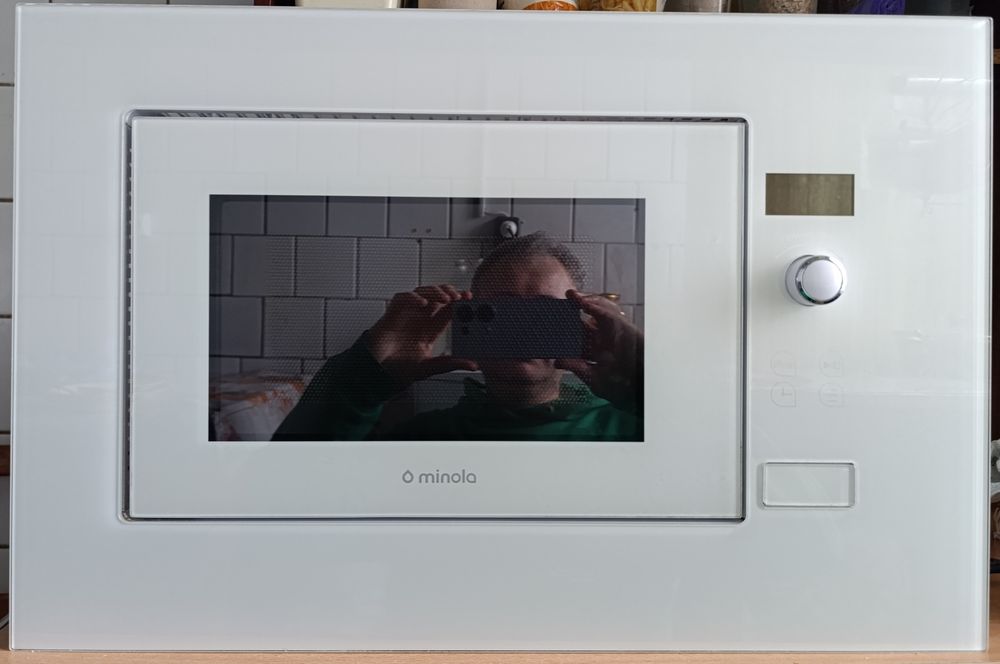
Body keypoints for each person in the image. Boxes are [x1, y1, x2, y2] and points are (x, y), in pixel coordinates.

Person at [272, 233, 643, 442]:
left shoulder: (636, 427)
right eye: (499, 311)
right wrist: (366, 375)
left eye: (544, 313)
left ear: (579, 323)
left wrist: (645, 381)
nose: (521, 330)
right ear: (468, 319)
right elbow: (288, 484)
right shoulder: (425, 439)